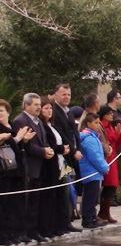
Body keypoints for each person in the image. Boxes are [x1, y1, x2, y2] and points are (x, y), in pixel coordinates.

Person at [12, 93, 54, 242]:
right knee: (26, 202)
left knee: (35, 202)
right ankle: (23, 232)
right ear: (26, 105)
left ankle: (33, 231)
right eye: (35, 105)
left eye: (39, 105)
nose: (38, 107)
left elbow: (43, 140)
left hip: (39, 166)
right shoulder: (20, 121)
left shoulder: (38, 122)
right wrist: (43, 151)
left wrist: (48, 149)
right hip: (27, 167)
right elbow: (27, 146)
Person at [39, 98, 76, 238]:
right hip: (52, 165)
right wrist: (61, 149)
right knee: (54, 197)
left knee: (65, 195)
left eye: (50, 108)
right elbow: (49, 145)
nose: (49, 111)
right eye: (46, 108)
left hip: (62, 164)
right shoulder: (43, 126)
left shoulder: (52, 125)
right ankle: (54, 227)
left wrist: (65, 148)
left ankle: (65, 224)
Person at [0, 99, 35, 245]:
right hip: (4, 171)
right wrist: (17, 138)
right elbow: (10, 143)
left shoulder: (12, 126)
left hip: (17, 170)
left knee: (17, 204)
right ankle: (4, 236)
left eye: (1, 111)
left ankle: (15, 233)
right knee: (4, 205)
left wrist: (23, 140)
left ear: (8, 112)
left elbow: (17, 146)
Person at [79, 113, 110, 229]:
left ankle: (92, 217)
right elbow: (95, 156)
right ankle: (88, 219)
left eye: (99, 123)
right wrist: (104, 167)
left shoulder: (93, 137)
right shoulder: (89, 138)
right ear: (88, 124)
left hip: (94, 173)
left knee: (93, 197)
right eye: (95, 123)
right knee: (90, 197)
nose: (98, 125)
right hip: (90, 172)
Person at [98, 106, 121, 224]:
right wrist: (118, 134)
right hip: (108, 157)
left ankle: (106, 212)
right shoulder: (103, 126)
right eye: (110, 113)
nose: (112, 115)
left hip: (113, 156)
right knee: (109, 186)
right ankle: (103, 213)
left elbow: (115, 141)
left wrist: (120, 134)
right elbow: (109, 140)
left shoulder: (109, 126)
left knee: (112, 186)